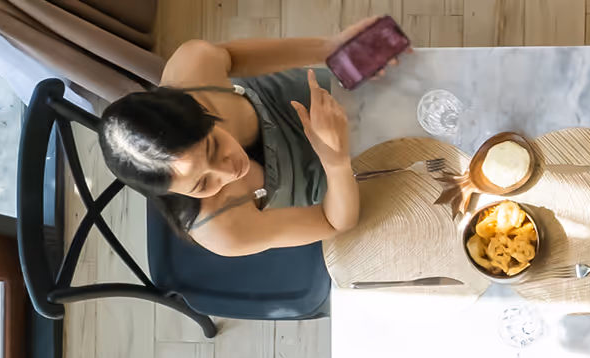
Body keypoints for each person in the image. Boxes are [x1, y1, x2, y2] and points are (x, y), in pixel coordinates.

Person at [95, 19, 387, 257]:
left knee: (399, 93)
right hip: (334, 185)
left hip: (301, 100)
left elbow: (231, 56)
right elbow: (334, 222)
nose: (229, 171)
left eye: (213, 148)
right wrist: (335, 164)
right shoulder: (223, 230)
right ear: (176, 193)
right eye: (202, 184)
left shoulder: (192, 67)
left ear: (199, 109)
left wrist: (331, 49)